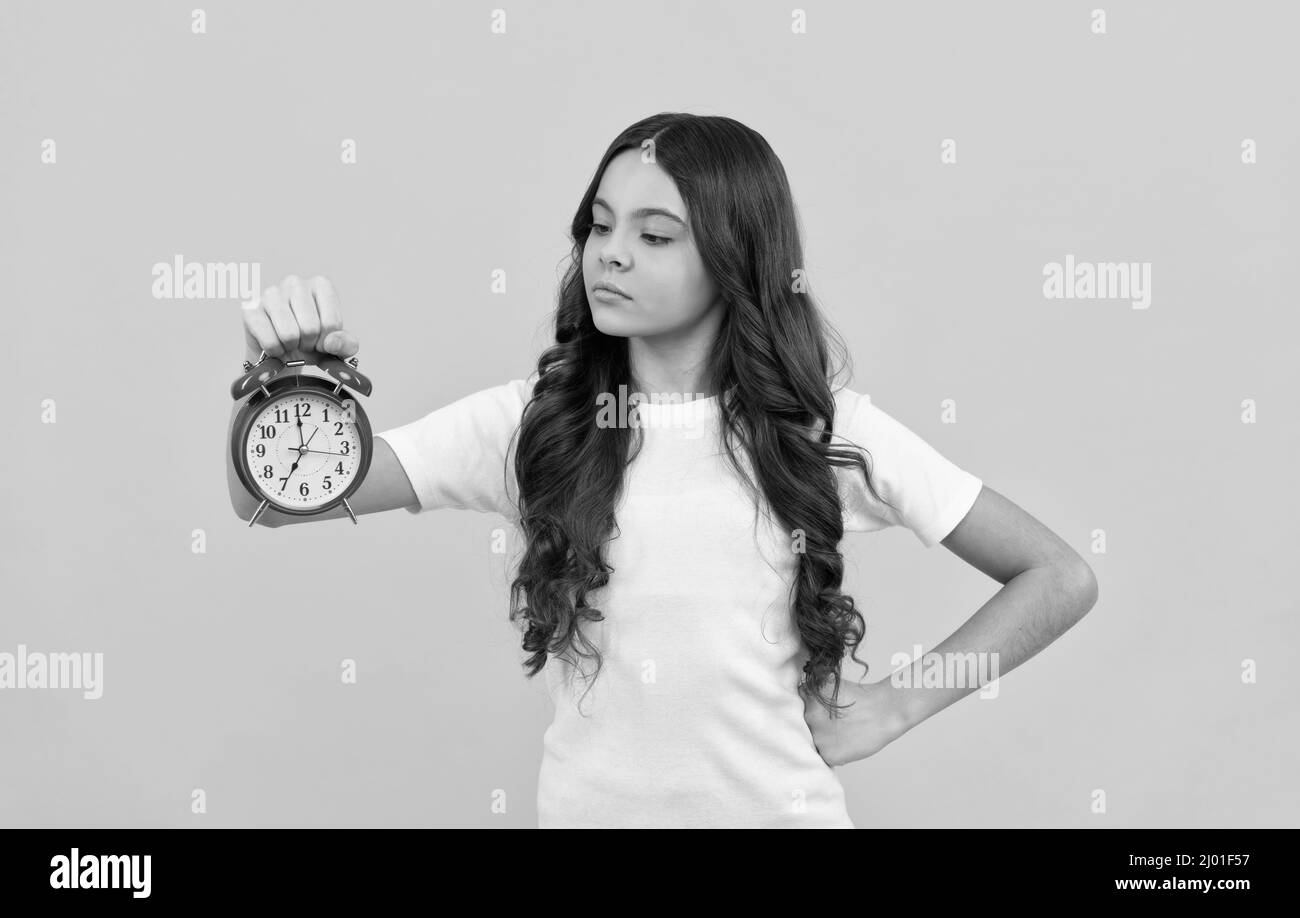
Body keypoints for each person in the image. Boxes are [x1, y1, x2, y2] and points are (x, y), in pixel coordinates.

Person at [226, 113, 1099, 829]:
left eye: (654, 235)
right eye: (600, 225)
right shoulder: (531, 424)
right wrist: (296, 382)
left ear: (734, 256)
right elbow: (267, 502)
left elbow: (1058, 576)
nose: (610, 252)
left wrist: (899, 706)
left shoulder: (822, 433)